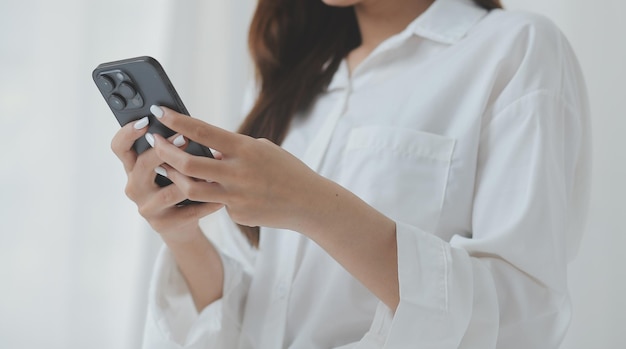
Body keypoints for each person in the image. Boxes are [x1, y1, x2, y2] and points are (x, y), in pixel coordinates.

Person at [111, 0, 591, 347]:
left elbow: (524, 320)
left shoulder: (515, 50)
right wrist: (182, 232)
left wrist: (313, 206)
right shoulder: (290, 78)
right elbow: (254, 315)